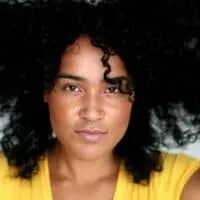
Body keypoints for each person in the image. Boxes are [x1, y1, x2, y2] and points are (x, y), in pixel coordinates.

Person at [0, 0, 200, 199]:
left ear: (136, 93)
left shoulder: (183, 186)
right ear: (46, 90)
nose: (92, 112)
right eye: (73, 87)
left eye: (113, 89)